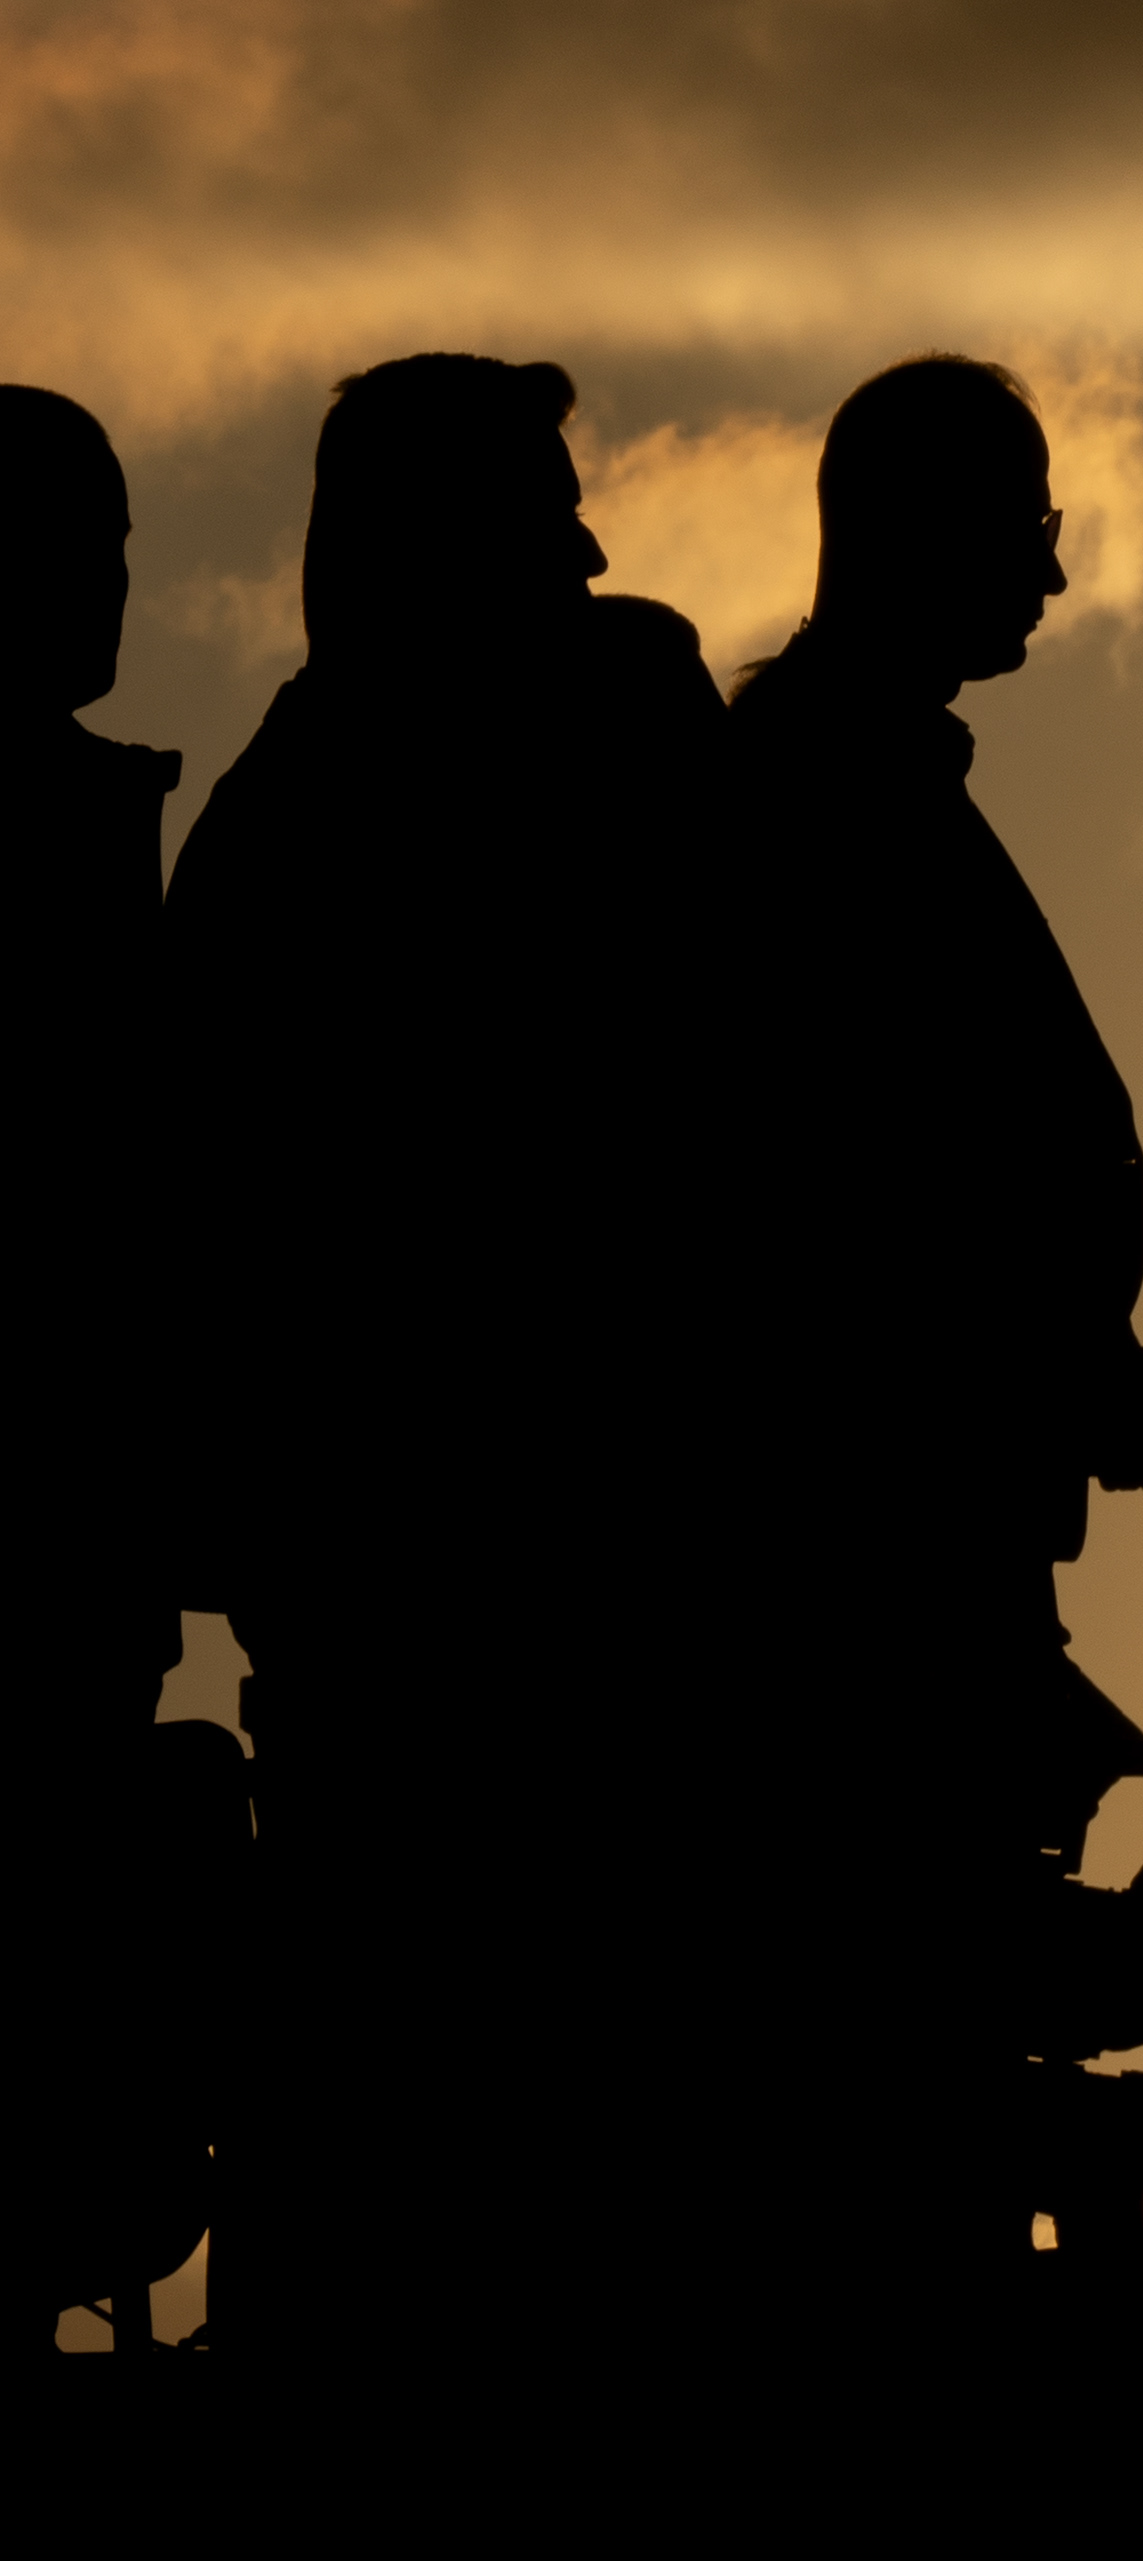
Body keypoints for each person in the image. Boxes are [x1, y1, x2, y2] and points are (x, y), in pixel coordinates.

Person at [158, 353, 740, 2374]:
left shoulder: (276, 825)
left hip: (460, 1591)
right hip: (468, 1594)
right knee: (452, 2118)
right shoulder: (353, 820)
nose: (590, 543)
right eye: (544, 507)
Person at [722, 354, 1143, 2323]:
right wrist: (1049, 1360)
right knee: (895, 2033)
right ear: (917, 527)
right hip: (878, 1566)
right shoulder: (823, 801)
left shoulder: (858, 783)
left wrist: (1073, 1357)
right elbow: (840, 1191)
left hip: (955, 1537)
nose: (1062, 573)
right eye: (1027, 521)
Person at [6, 383, 233, 2348]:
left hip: (86, 1528)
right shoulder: (50, 843)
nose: (111, 590)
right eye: (80, 553)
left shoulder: (103, 823)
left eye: (121, 549)